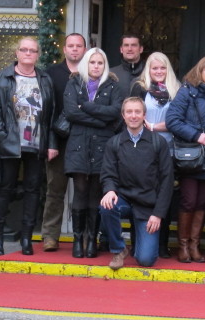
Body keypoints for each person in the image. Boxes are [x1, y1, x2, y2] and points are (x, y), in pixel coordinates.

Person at [0, 37, 57, 256]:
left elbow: (51, 114)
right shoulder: (2, 78)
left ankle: (26, 238)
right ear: (16, 53)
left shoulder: (44, 79)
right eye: (24, 50)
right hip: (9, 144)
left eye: (32, 50)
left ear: (37, 54)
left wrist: (51, 144)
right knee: (4, 189)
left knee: (32, 191)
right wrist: (2, 137)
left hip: (36, 144)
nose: (28, 53)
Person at [99, 97, 174, 269]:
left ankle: (140, 244)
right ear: (123, 115)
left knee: (146, 260)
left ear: (144, 115)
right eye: (129, 112)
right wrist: (110, 190)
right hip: (124, 199)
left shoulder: (158, 143)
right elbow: (108, 173)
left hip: (148, 205)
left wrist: (158, 214)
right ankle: (119, 249)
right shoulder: (114, 142)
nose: (133, 116)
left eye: (137, 112)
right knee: (106, 206)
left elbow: (167, 181)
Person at [166, 56, 205, 263]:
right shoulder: (187, 91)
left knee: (202, 202)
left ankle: (195, 245)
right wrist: (195, 135)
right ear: (199, 72)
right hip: (191, 156)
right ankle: (183, 246)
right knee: (189, 200)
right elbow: (172, 120)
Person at [63, 47, 123, 258]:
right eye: (93, 62)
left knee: (96, 193)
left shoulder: (113, 85)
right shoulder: (74, 83)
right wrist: (100, 120)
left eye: (100, 63)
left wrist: (86, 107)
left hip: (102, 147)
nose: (96, 66)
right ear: (86, 64)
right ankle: (78, 239)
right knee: (80, 191)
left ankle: (92, 239)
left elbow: (115, 113)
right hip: (78, 145)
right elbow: (70, 112)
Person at [130, 52, 180, 258]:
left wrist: (152, 126)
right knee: (140, 194)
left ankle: (162, 244)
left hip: (169, 150)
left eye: (162, 68)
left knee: (164, 195)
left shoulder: (177, 90)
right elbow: (132, 114)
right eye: (154, 68)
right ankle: (136, 242)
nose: (158, 72)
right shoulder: (139, 87)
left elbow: (180, 121)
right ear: (148, 70)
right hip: (143, 149)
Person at [41, 33, 86, 252]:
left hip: (84, 142)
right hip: (58, 141)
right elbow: (47, 112)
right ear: (64, 49)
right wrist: (51, 143)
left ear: (85, 50)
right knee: (55, 190)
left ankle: (84, 235)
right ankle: (50, 236)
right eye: (71, 46)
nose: (75, 49)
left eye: (79, 46)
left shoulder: (91, 74)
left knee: (83, 192)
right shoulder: (51, 74)